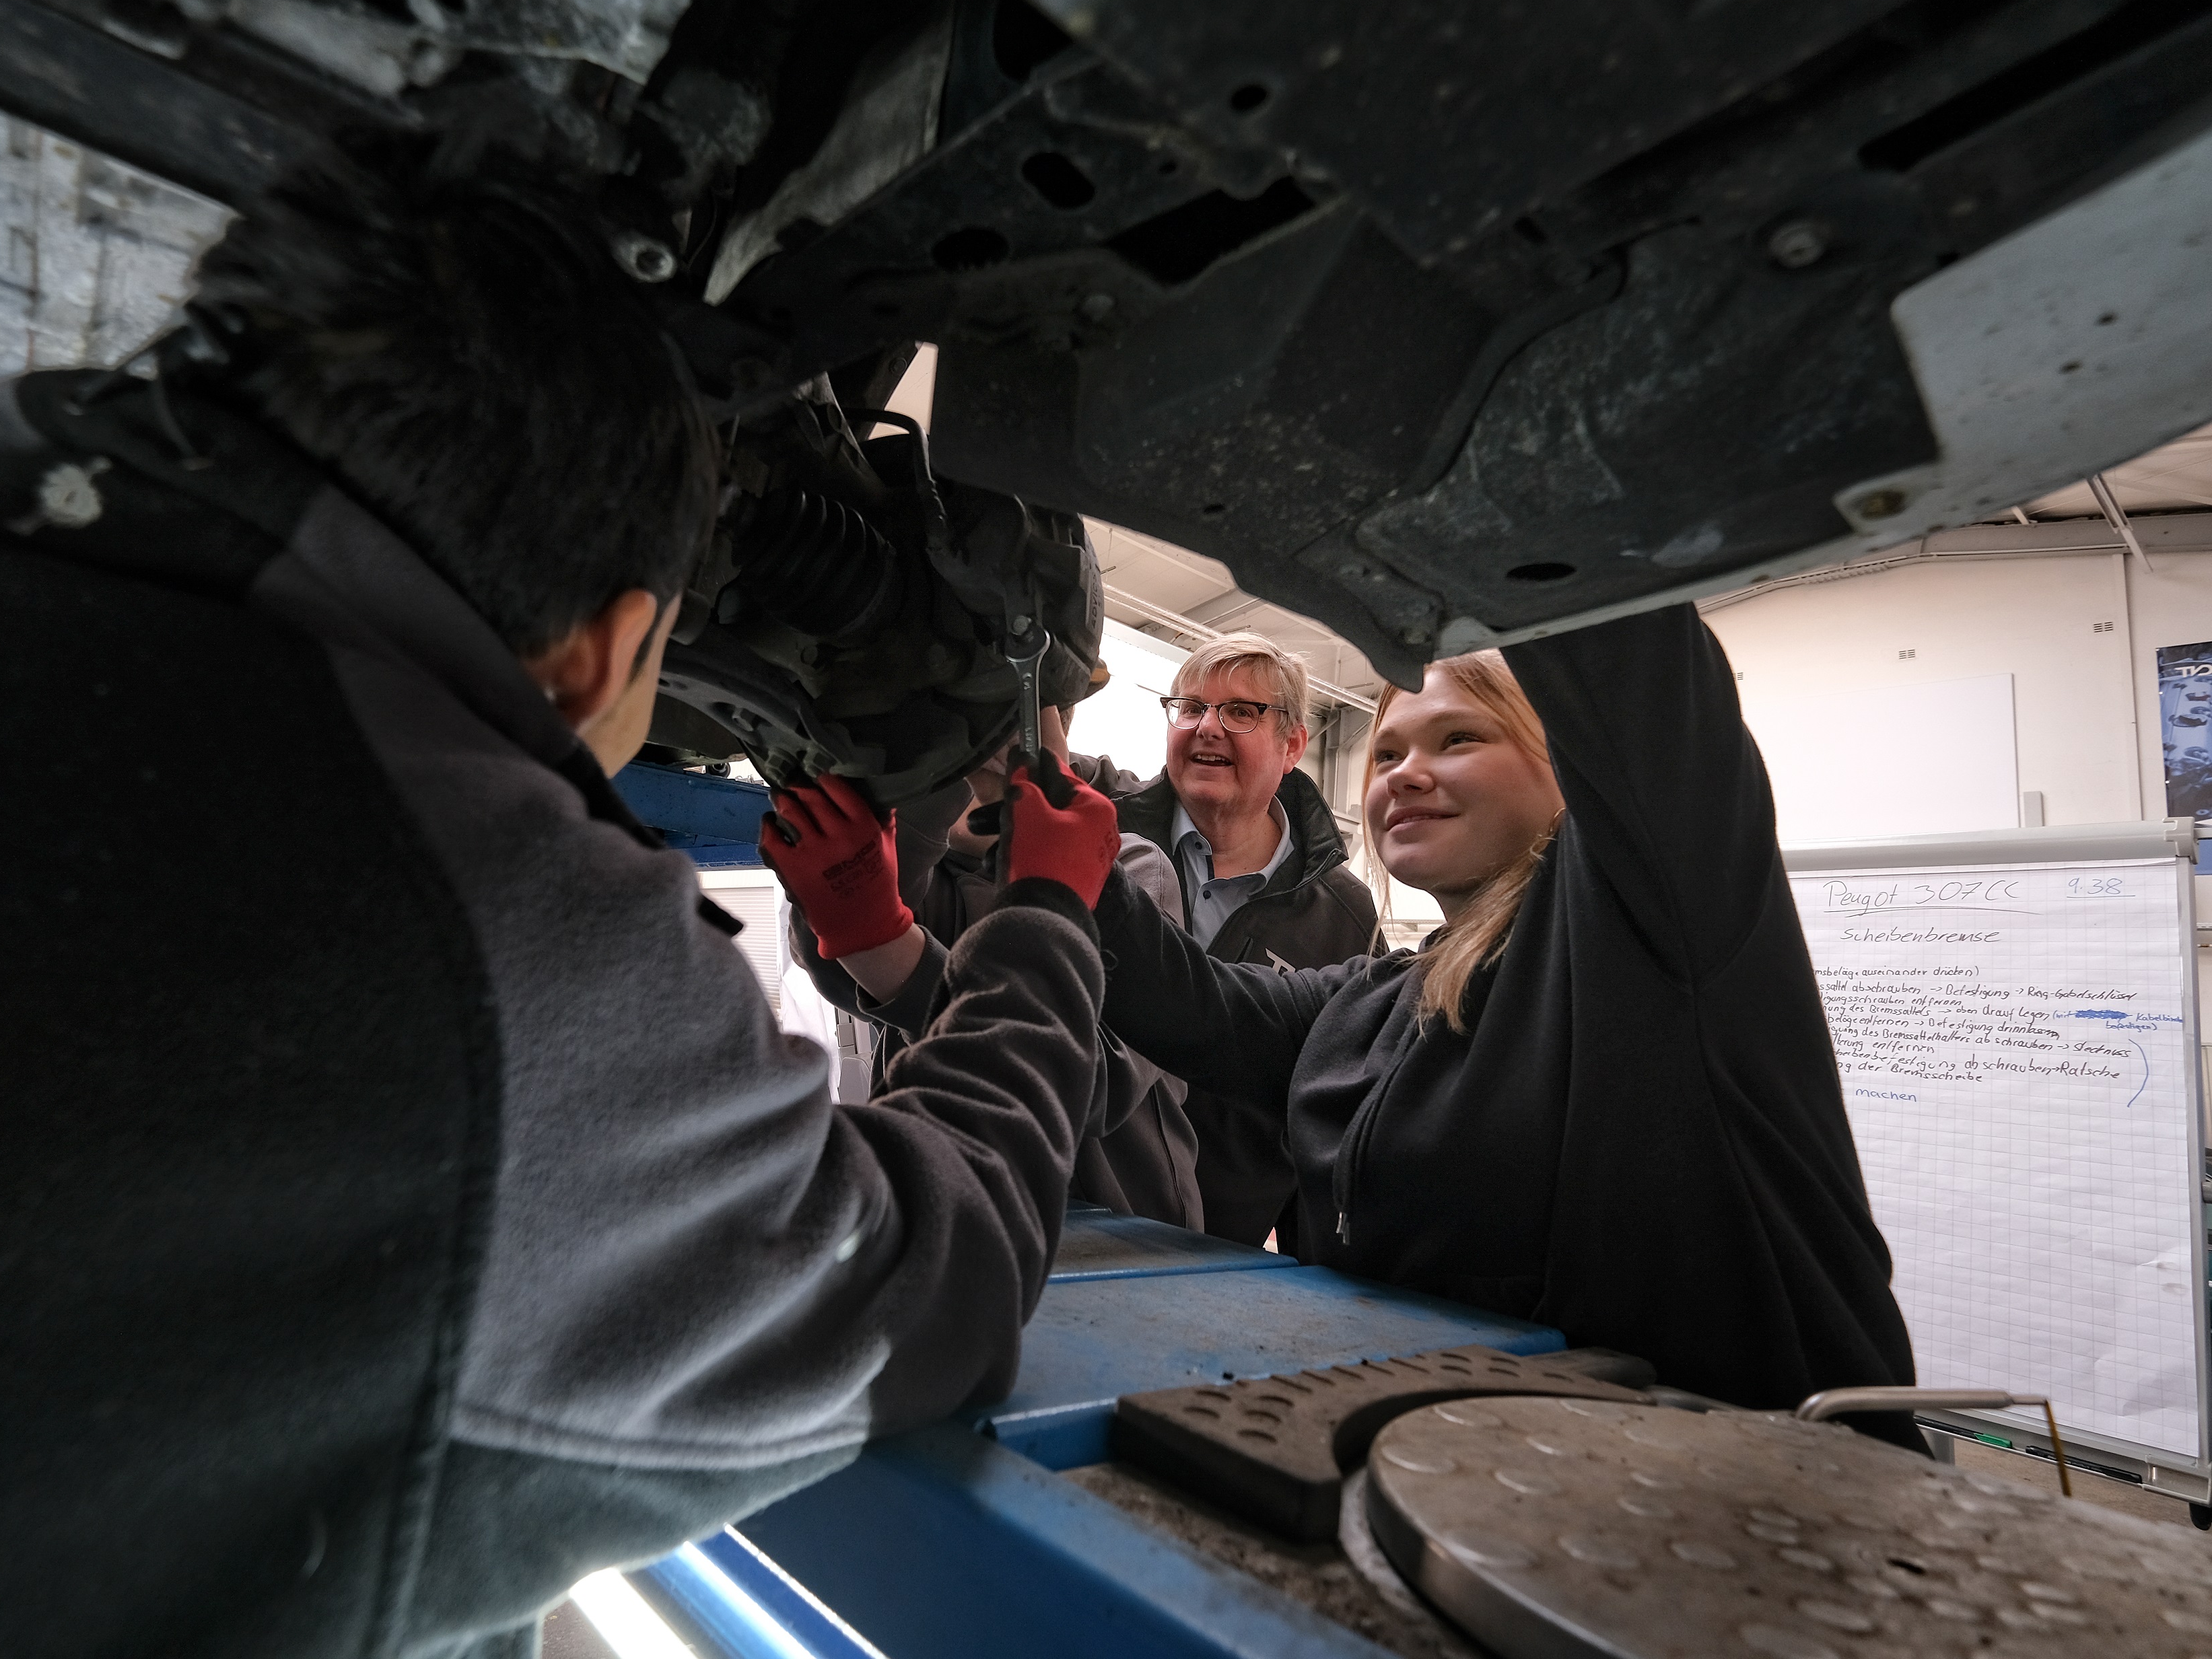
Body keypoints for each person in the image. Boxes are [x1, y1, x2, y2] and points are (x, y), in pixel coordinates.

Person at [0, 152, 1126, 1655]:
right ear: (606, 649)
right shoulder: (492, 933)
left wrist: (927, 935)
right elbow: (936, 1277)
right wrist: (1035, 916)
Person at [1086, 606, 1921, 1438]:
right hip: (1479, 1483)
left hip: (1761, 1487)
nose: (1406, 774)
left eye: (1458, 740)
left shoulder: (1651, 930)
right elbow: (1200, 1006)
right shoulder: (1382, 995)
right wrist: (1075, 849)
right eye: (1386, 753)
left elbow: (1638, 671)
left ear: (1567, 761)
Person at [782, 704, 1205, 1227]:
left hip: (1133, 1232)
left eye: (993, 733)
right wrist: (927, 782)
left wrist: (888, 949)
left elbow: (1097, 1080)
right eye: (960, 753)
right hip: (952, 1214)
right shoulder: (929, 877)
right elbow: (834, 970)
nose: (974, 765)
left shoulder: (1127, 866)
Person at [1114, 632, 1385, 1246]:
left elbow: (1329, 1100)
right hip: (1086, 1209)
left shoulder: (1344, 912)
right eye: (1190, 707)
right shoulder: (1106, 840)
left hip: (1224, 1244)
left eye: (1241, 711)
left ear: (1293, 745)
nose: (1207, 726)